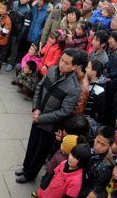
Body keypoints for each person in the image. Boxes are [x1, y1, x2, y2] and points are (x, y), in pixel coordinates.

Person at [16, 49, 80, 183]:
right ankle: (25, 167)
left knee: (41, 151)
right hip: (38, 115)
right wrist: (36, 108)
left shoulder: (73, 87)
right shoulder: (52, 70)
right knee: (32, 144)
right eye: (62, 60)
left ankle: (30, 175)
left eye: (67, 63)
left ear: (74, 67)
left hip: (50, 125)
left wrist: (41, 118)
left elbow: (64, 112)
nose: (62, 64)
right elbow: (39, 87)